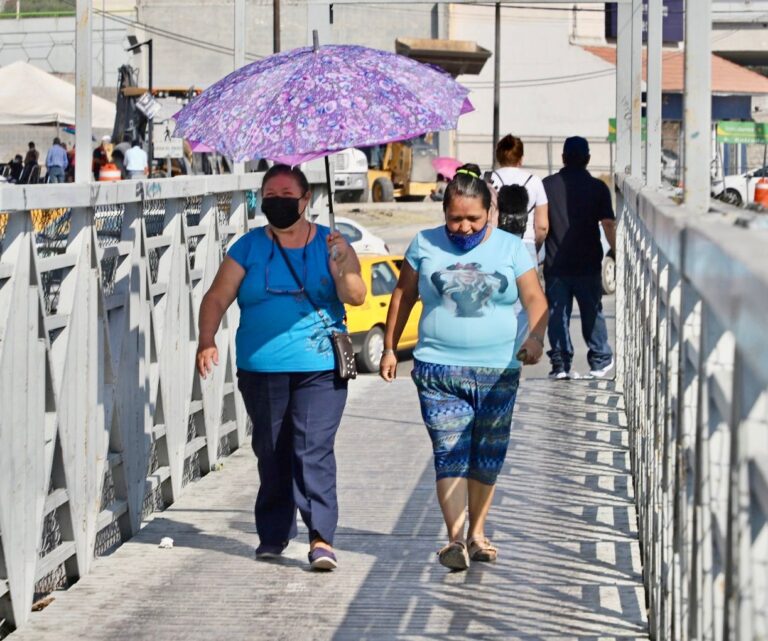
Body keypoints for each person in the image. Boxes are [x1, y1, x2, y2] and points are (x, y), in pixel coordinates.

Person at [196, 164, 366, 571]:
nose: (278, 202)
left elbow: (357, 295)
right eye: (269, 195)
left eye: (287, 195)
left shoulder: (331, 242)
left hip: (320, 365)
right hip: (262, 367)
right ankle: (273, 533)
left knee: (312, 449)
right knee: (272, 452)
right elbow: (217, 297)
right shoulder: (248, 247)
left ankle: (321, 537)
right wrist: (206, 340)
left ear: (306, 200)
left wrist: (341, 266)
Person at [380, 163, 548, 571]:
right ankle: (455, 539)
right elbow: (402, 296)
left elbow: (535, 300)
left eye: (473, 218)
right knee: (450, 451)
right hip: (438, 369)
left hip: (498, 371)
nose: (464, 227)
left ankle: (477, 533)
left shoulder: (510, 247)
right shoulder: (424, 244)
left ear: (490, 210)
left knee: (486, 455)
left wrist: (535, 337)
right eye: (455, 218)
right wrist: (389, 348)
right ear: (444, 212)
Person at [542, 136, 616, 380]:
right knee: (592, 310)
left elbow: (541, 225)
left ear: (563, 158)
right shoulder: (598, 188)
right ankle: (599, 360)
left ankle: (561, 364)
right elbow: (607, 224)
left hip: (556, 264)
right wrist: (616, 251)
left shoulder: (547, 185)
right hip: (588, 263)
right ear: (588, 159)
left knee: (556, 313)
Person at [489, 135, 550, 352]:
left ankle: (497, 344)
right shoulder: (534, 181)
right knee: (527, 299)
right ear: (520, 158)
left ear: (498, 155)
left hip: (495, 245)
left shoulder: (490, 180)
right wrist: (535, 245)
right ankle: (515, 347)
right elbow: (542, 226)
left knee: (496, 298)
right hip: (525, 244)